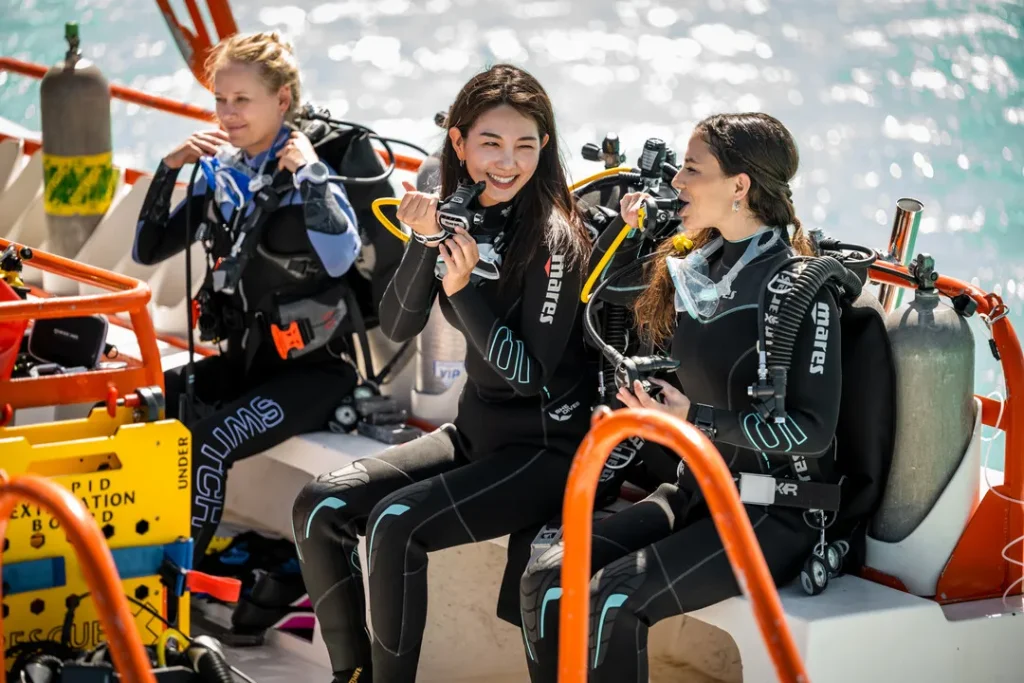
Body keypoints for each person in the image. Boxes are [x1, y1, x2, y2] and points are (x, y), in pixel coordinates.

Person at [291, 64, 597, 683]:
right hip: (475, 437)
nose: (508, 163)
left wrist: (465, 293)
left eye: (526, 145)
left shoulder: (555, 239)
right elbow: (399, 324)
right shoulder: (460, 213)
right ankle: (349, 674)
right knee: (319, 506)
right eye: (491, 143)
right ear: (458, 144)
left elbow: (531, 378)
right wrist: (425, 242)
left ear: (545, 147)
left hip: (544, 452)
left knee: (395, 526)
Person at [519, 112, 845, 682]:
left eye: (692, 170)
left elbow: (813, 431)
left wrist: (694, 418)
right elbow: (606, 297)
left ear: (739, 187)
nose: (677, 183)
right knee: (546, 575)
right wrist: (635, 229)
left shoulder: (799, 292)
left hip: (774, 512)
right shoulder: (700, 265)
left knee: (614, 597)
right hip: (697, 493)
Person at [132, 31, 362, 563]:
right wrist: (169, 170)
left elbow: (340, 260)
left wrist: (310, 173)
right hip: (245, 364)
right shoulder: (226, 175)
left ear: (282, 100)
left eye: (242, 100)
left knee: (207, 445)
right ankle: (127, 556)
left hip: (313, 374)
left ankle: (176, 591)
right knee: (137, 403)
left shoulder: (312, 174)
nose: (228, 113)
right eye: (220, 99)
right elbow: (148, 248)